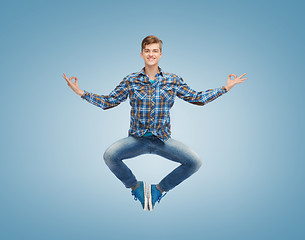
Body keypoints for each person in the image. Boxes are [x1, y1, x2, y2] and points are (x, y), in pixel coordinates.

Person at [63, 35, 247, 211]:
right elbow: (109, 101)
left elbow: (197, 98)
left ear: (160, 54)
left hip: (162, 140)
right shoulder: (131, 80)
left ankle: (158, 190)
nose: (151, 54)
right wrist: (82, 93)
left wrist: (225, 88)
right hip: (137, 139)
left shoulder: (172, 80)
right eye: (147, 50)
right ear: (142, 54)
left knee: (194, 162)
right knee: (110, 155)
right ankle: (136, 188)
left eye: (155, 50)